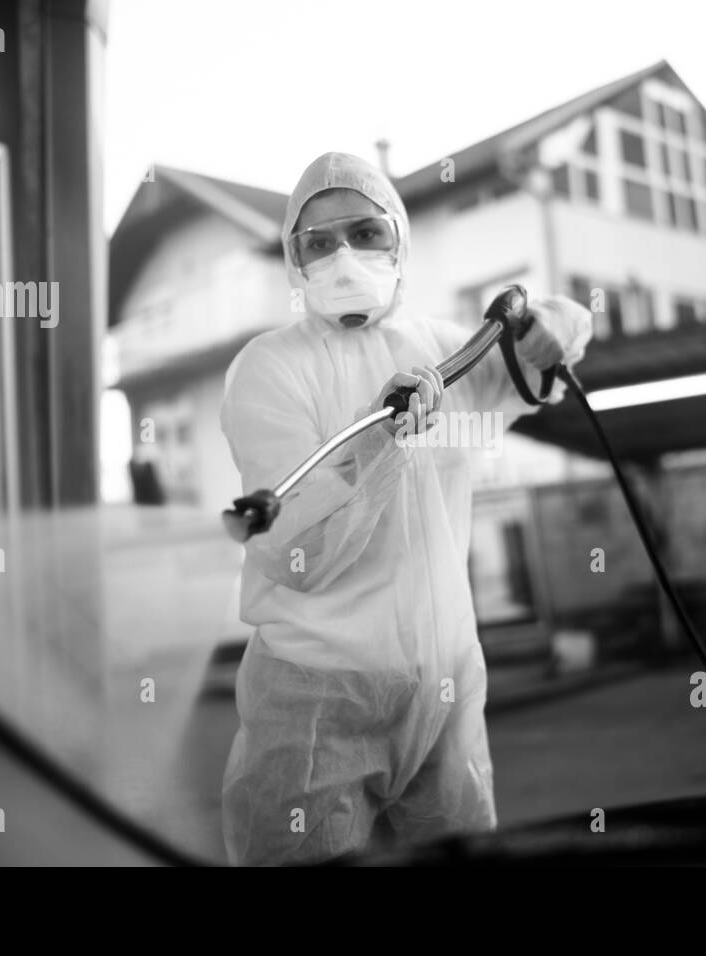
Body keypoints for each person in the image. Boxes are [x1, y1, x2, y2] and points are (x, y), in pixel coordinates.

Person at [219, 151, 592, 866]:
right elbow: (299, 555)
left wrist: (549, 322)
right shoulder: (270, 369)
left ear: (401, 241)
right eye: (318, 243)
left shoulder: (445, 350)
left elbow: (551, 354)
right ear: (294, 262)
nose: (344, 256)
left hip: (446, 692)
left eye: (365, 232)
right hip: (320, 701)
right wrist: (385, 434)